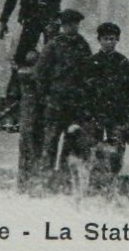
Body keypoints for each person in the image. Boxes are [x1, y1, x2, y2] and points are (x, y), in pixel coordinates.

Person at [38, 9, 93, 171]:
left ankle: (64, 177)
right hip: (55, 101)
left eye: (75, 24)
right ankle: (46, 177)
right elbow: (40, 73)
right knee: (50, 141)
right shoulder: (53, 45)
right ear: (63, 26)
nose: (72, 27)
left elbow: (89, 72)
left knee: (71, 143)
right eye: (68, 25)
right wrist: (45, 96)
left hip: (75, 102)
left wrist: (84, 96)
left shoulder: (83, 45)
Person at [84, 22, 129, 175]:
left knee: (117, 149)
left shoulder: (123, 62)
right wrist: (88, 112)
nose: (109, 42)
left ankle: (114, 179)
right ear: (99, 40)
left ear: (117, 40)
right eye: (106, 39)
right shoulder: (91, 62)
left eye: (112, 39)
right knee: (96, 149)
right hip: (96, 112)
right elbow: (86, 90)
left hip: (117, 113)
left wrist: (128, 114)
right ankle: (97, 181)